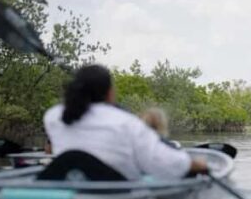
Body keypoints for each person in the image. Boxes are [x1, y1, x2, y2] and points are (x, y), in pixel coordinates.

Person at [38, 65, 208, 181]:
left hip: (70, 192)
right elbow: (164, 162)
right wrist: (196, 164)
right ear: (109, 93)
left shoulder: (53, 117)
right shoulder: (127, 123)